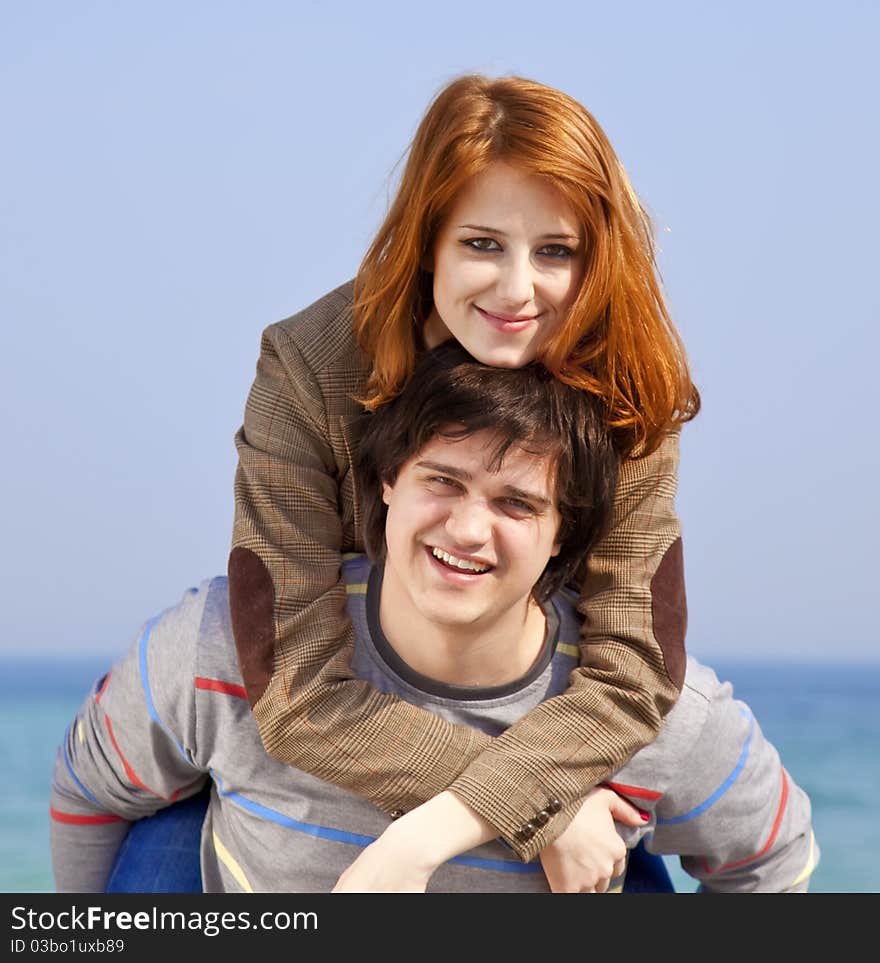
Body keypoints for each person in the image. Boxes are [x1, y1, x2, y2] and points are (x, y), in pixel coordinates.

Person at [51, 344, 817, 894]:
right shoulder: (226, 651)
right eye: (441, 482)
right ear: (387, 481)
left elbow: (774, 855)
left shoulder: (655, 715)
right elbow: (90, 788)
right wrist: (545, 808)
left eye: (517, 502)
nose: (468, 529)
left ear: (566, 533)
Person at [228, 73, 701, 873]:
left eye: (555, 251)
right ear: (427, 239)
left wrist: (440, 828)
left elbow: (635, 668)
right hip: (316, 772)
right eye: (482, 244)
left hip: (540, 734)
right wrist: (538, 808)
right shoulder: (308, 367)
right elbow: (294, 685)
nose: (517, 290)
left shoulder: (628, 388)